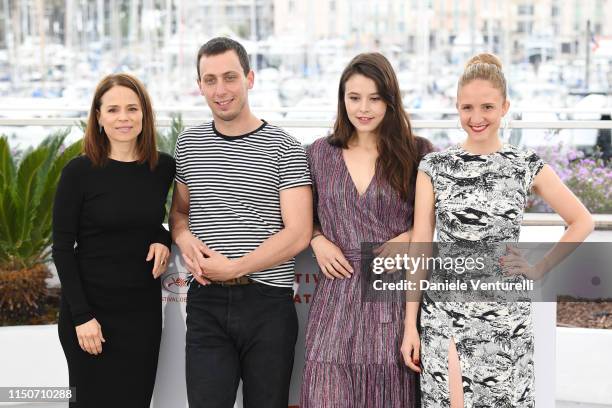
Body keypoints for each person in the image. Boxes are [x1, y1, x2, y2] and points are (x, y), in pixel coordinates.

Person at [401, 53, 594, 407]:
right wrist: (409, 325)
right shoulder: (433, 166)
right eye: (467, 108)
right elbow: (420, 246)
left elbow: (582, 221)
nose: (476, 118)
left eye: (487, 107)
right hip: (444, 314)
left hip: (505, 318)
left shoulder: (525, 165)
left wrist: (540, 267)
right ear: (456, 107)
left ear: (505, 107)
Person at [169, 37, 312, 408]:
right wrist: (183, 238)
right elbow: (179, 214)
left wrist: (233, 267)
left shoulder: (286, 146)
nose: (221, 90)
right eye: (210, 80)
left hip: (268, 305)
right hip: (206, 305)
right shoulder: (189, 144)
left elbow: (298, 233)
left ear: (249, 78)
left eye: (230, 77)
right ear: (199, 85)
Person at [300, 52, 433, 408]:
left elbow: (437, 223)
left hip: (392, 300)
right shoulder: (318, 154)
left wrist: (410, 236)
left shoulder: (418, 153)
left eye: (375, 98)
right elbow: (298, 216)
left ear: (391, 100)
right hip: (335, 300)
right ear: (342, 100)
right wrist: (316, 238)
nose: (364, 108)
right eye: (354, 97)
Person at [52, 73, 175, 407]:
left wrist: (164, 238)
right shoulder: (78, 172)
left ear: (144, 115)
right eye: (114, 109)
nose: (124, 117)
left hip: (142, 315)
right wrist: (81, 317)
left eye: (133, 109)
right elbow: (62, 248)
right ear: (99, 117)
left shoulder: (162, 167)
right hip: (90, 313)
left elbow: (153, 221)